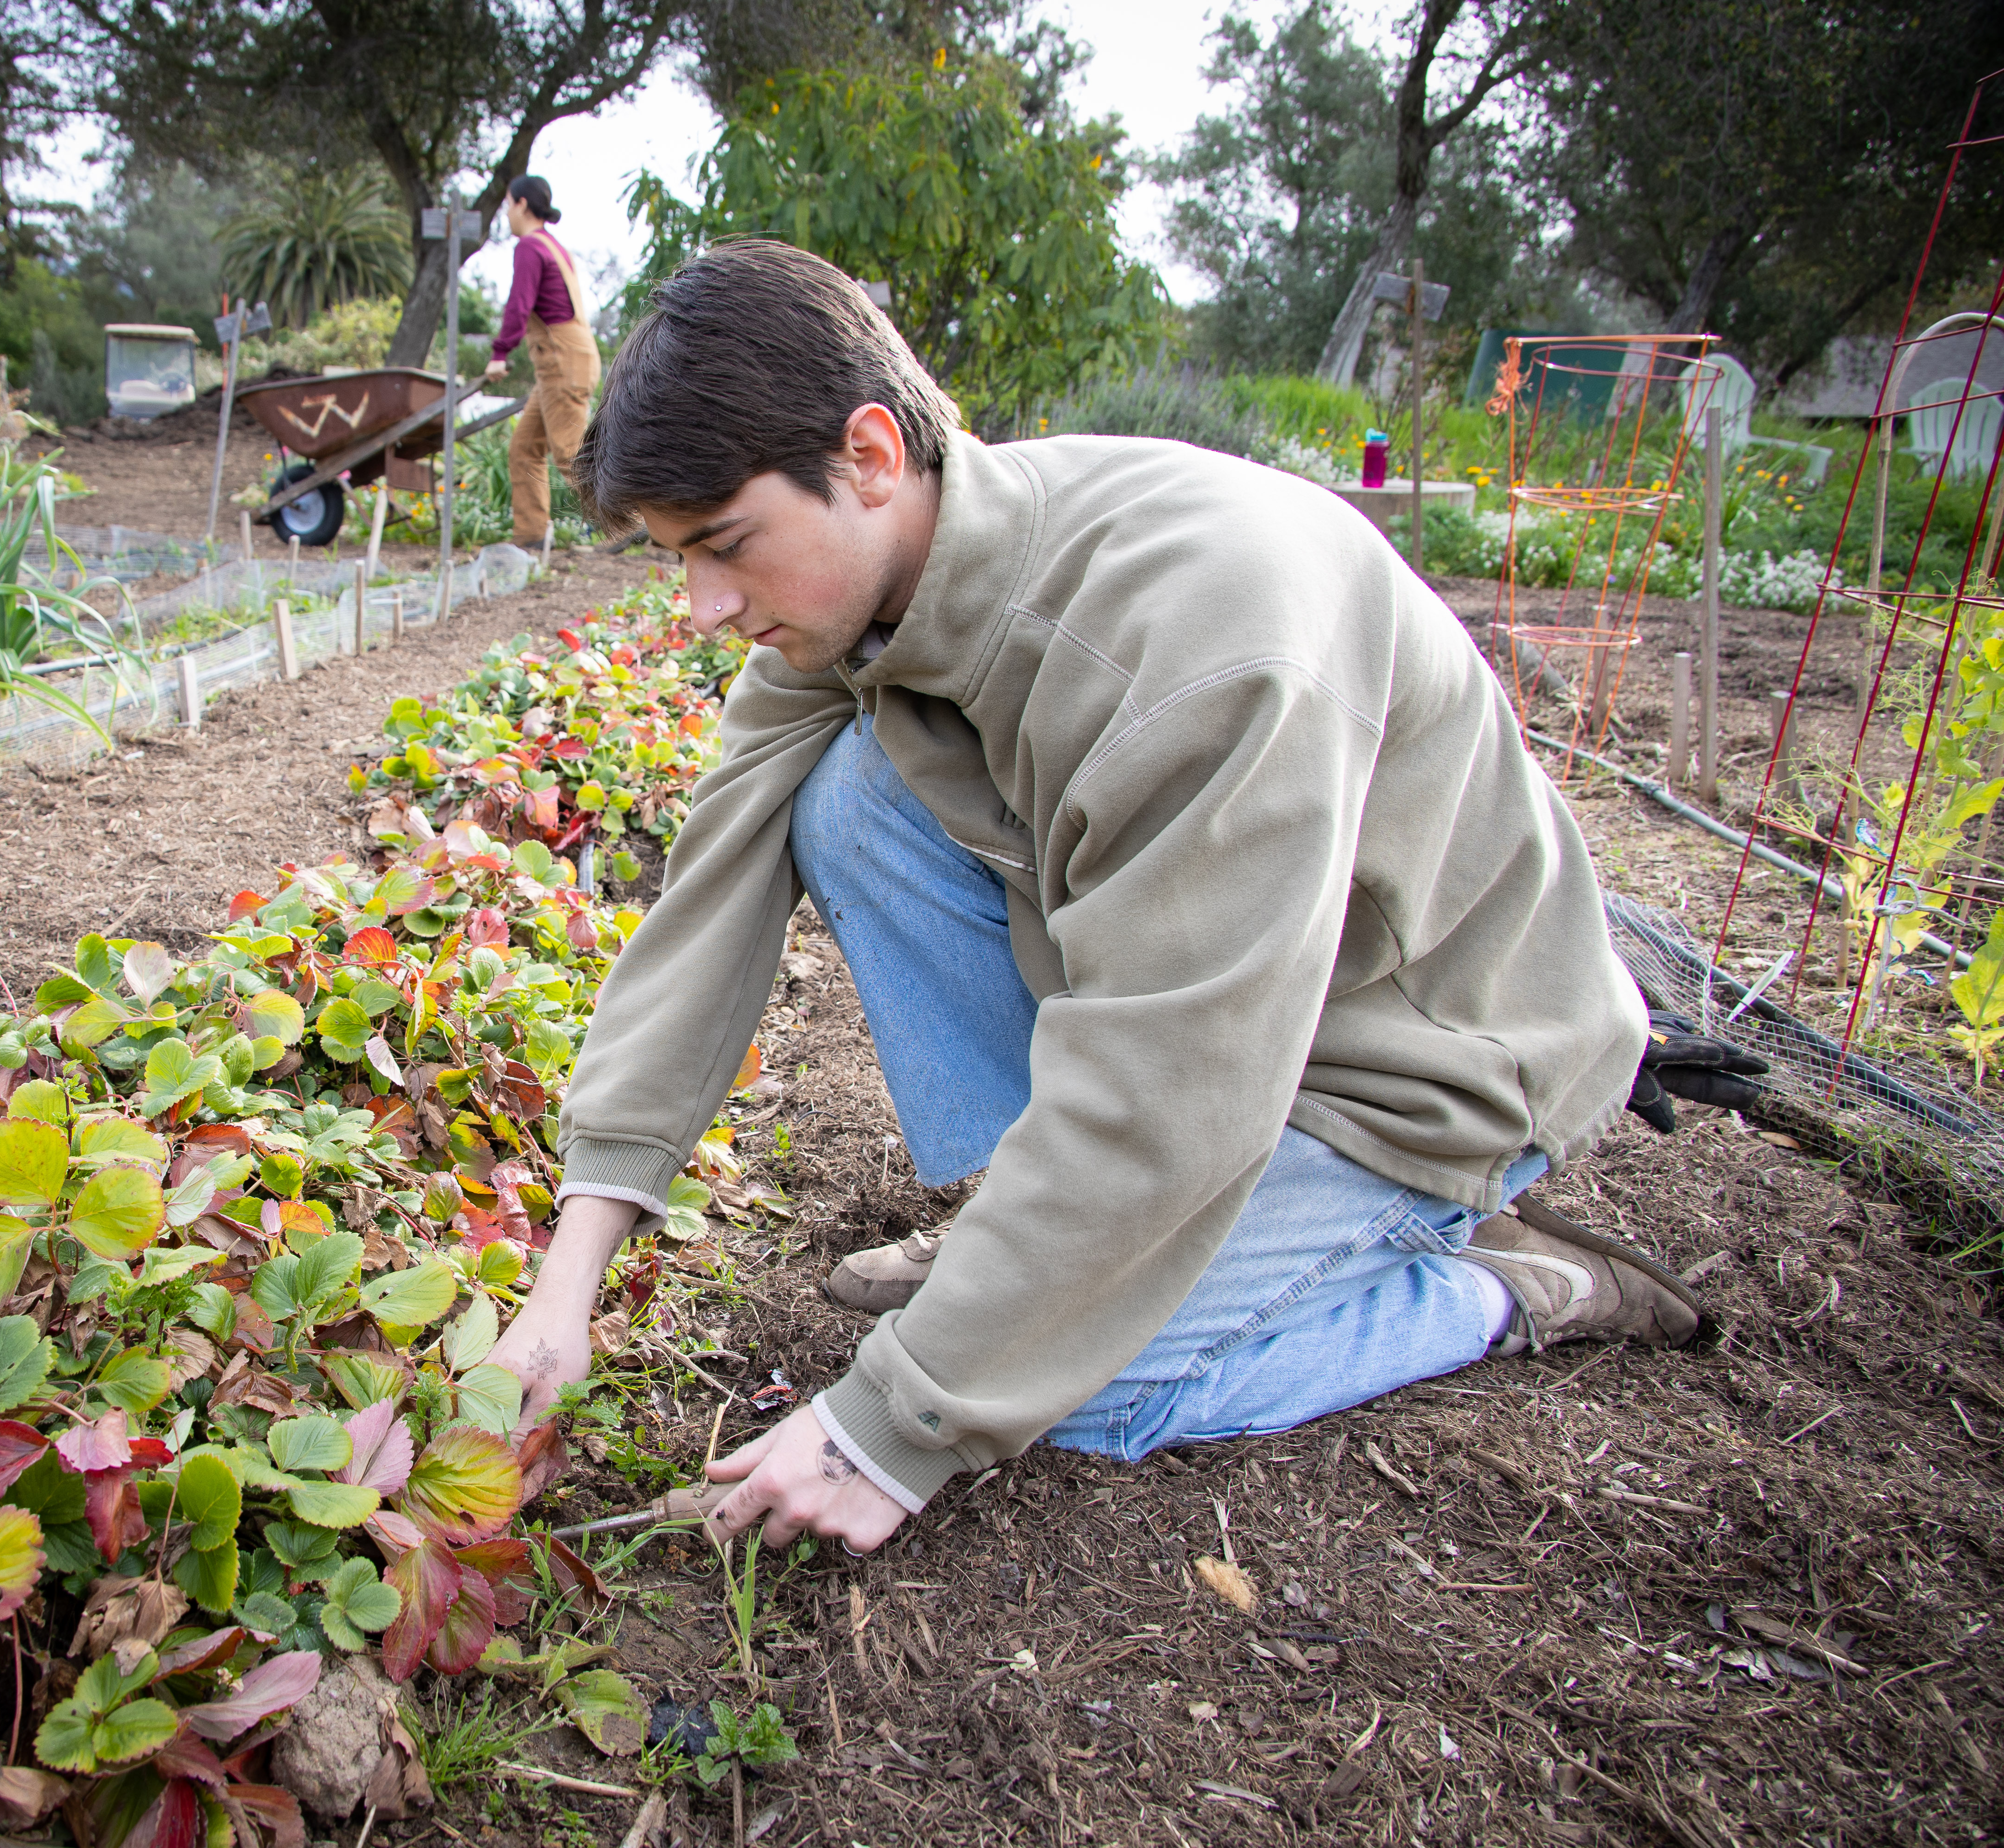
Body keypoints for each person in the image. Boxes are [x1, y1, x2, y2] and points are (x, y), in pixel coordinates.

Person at [483, 240, 1765, 1556]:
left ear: (870, 457)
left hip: (1408, 1062)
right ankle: (1025, 1236)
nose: (701, 606)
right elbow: (715, 891)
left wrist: (895, 1419)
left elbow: (1177, 1084)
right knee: (842, 799)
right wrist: (569, 1278)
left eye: (726, 546)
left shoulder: (1198, 655)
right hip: (1224, 1006)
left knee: (1064, 1396)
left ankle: (1501, 1287)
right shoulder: (861, 592)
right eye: (674, 557)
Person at [483, 175, 599, 550]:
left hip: (561, 360)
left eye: (507, 204)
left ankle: (622, 523)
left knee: (569, 451)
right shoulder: (554, 247)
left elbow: (519, 305)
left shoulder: (531, 247)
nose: (506, 213)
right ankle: (531, 535)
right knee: (524, 448)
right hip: (568, 358)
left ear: (521, 205)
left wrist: (500, 353)